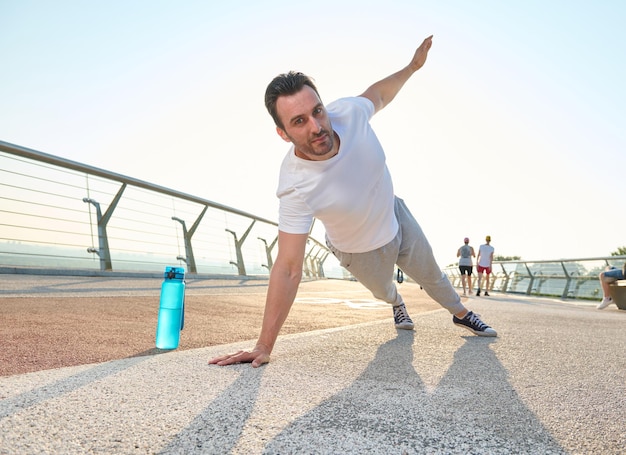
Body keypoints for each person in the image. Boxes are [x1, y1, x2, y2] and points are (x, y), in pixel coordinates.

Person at [209, 35, 497, 369]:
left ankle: (462, 314)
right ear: (283, 134)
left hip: (394, 213)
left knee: (433, 274)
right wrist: (264, 345)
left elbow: (379, 94)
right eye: (299, 121)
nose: (317, 127)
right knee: (383, 291)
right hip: (357, 248)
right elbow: (288, 268)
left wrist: (413, 67)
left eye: (317, 111)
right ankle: (397, 303)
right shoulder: (295, 185)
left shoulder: (348, 112)